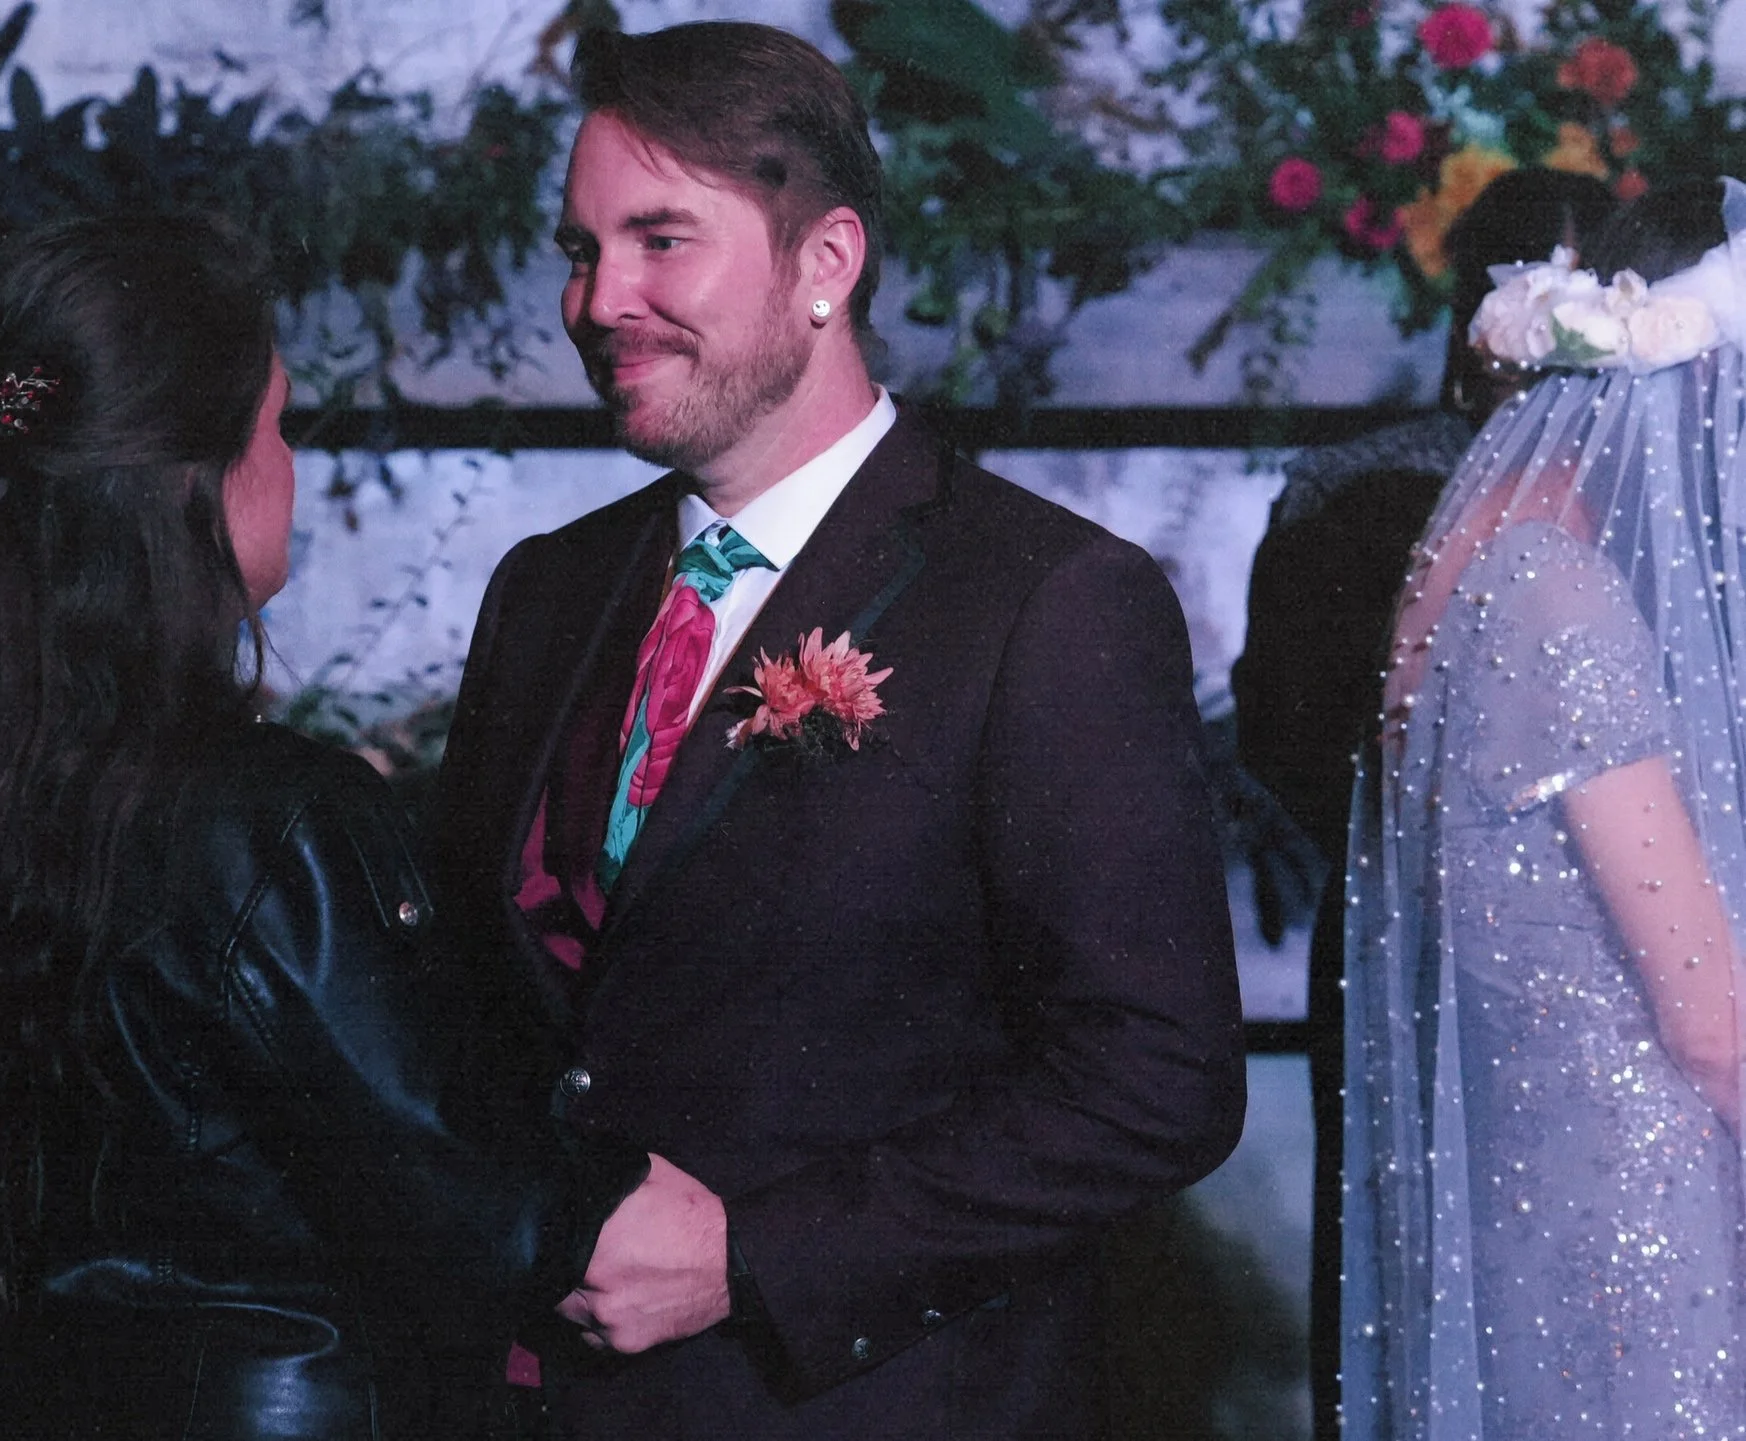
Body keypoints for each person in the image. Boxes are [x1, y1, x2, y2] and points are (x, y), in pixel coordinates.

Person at [430, 22, 1248, 1439]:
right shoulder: (544, 592)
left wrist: (760, 1260)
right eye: (579, 249)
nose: (596, 298)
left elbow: (1156, 1081)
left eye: (659, 240)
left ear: (826, 263)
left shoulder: (1046, 600)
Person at [0, 213, 661, 1441]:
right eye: (276, 425)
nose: (294, 465)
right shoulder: (260, 818)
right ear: (190, 481)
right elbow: (479, 1199)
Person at [1342, 176, 1746, 1438]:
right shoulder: (1555, 596)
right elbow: (1709, 1018)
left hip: (1543, 1183)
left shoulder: (1487, 560)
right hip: (1642, 1219)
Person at [1230, 166, 1615, 1435]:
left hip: (1620, 959)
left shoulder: (1651, 490)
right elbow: (1282, 729)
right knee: (1401, 1281)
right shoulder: (1351, 487)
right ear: (1469, 313)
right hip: (1402, 931)